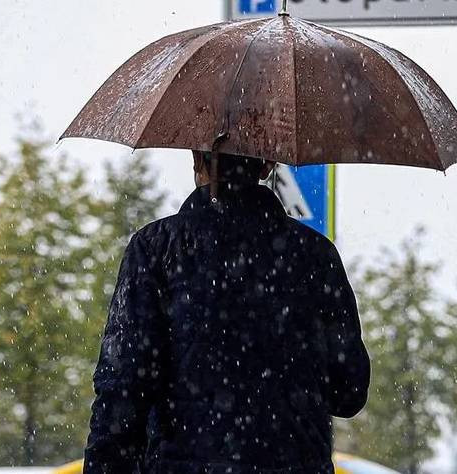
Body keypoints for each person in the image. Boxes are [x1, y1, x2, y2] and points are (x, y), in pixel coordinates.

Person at [84, 151, 370, 474]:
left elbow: (121, 391)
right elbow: (349, 392)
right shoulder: (315, 258)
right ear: (268, 164)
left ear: (196, 158)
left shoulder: (156, 250)